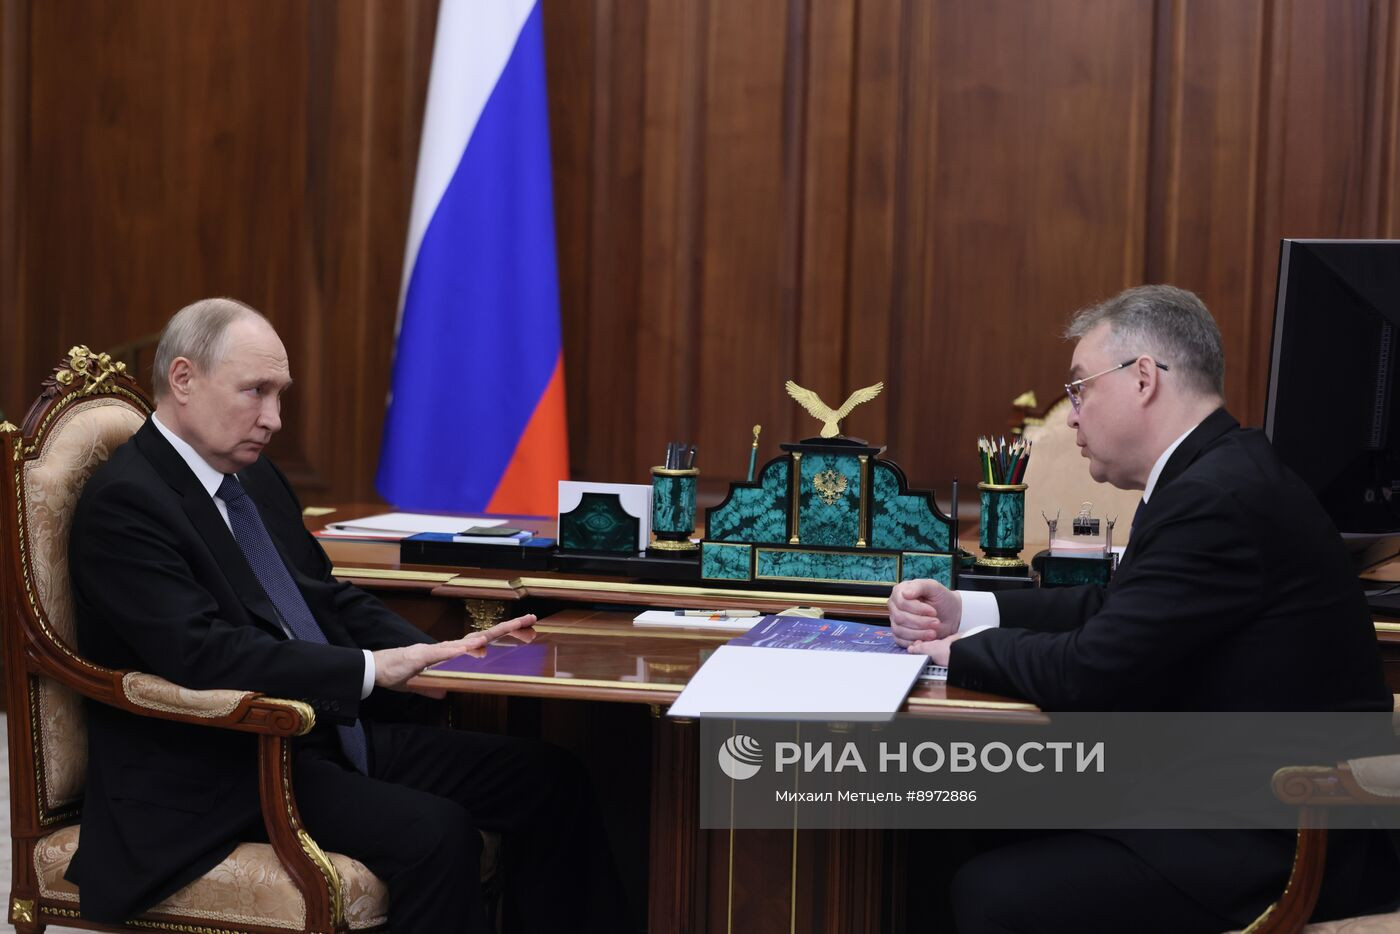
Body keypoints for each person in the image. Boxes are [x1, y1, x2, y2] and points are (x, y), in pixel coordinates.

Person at [67, 298, 626, 932]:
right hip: (221, 765)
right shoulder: (127, 503)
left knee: (550, 779)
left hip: (323, 731)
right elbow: (203, 653)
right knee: (437, 834)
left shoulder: (253, 478)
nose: (274, 418)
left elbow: (325, 594)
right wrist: (370, 670)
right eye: (255, 391)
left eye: (280, 394)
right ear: (184, 379)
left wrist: (431, 656)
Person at [888, 285, 1398, 932]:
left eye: (1080, 389)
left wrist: (959, 653)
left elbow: (1091, 671)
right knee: (944, 819)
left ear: (1144, 378)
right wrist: (968, 610)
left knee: (986, 888)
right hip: (1217, 794)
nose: (1070, 417)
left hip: (1271, 839)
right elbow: (1116, 607)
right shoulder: (1214, 470)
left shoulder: (1218, 496)